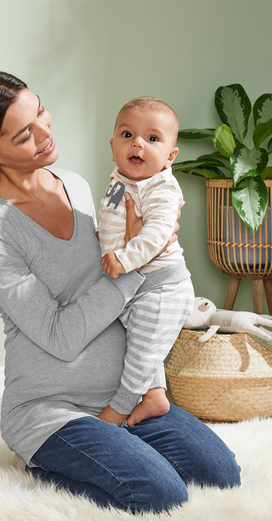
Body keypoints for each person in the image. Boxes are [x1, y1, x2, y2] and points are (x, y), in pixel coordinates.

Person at [0, 67, 243, 513]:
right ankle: (37, 462)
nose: (45, 134)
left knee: (221, 476)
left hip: (123, 395)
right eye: (24, 135)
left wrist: (143, 253)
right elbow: (59, 336)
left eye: (41, 112)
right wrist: (136, 265)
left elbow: (124, 282)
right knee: (161, 495)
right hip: (50, 407)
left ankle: (114, 447)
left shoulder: (75, 185)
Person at [98, 97, 193, 428]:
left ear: (170, 156)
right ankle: (154, 396)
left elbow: (156, 235)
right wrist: (104, 242)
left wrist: (122, 258)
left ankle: (118, 410)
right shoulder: (118, 181)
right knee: (137, 342)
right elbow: (110, 218)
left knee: (141, 354)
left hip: (162, 286)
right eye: (127, 135)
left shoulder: (161, 187)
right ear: (113, 147)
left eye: (152, 138)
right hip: (133, 283)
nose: (137, 143)